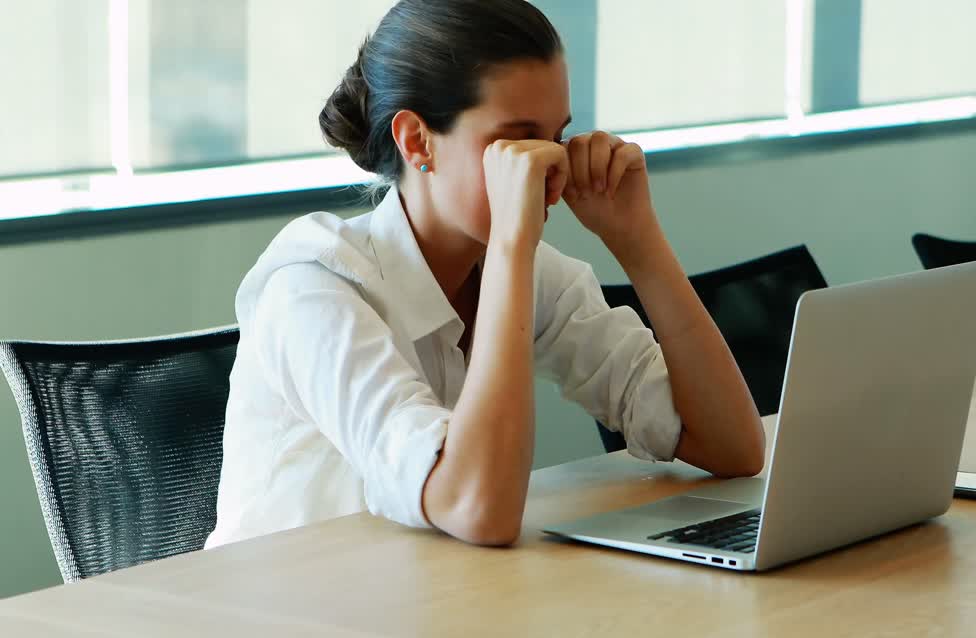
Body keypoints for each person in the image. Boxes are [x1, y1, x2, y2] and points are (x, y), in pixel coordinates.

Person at [206, 0, 764, 549]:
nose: (548, 165)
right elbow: (479, 509)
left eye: (555, 136)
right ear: (417, 141)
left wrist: (639, 243)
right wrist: (510, 247)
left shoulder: (530, 272)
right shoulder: (314, 287)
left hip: (422, 602)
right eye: (515, 140)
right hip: (278, 622)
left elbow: (732, 447)